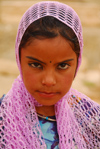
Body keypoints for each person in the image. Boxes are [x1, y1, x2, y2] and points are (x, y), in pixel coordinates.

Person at [0, 1, 100, 148]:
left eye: (62, 66)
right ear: (18, 59)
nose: (48, 80)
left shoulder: (92, 121)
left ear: (77, 64)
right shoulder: (3, 118)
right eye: (36, 65)